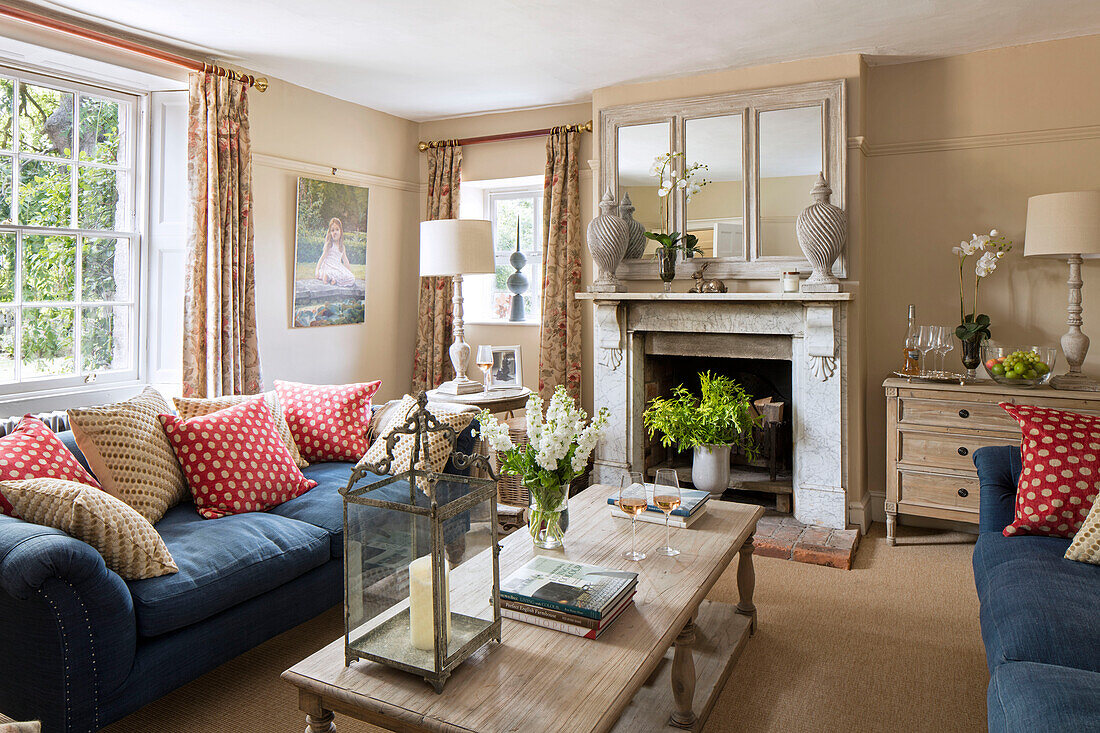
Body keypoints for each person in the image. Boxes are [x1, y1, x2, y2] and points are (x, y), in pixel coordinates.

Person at [315, 217, 355, 286]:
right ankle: (328, 276)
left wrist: (349, 272)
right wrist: (317, 270)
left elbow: (345, 261)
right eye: (332, 230)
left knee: (351, 278)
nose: (335, 232)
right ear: (330, 233)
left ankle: (333, 279)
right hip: (329, 266)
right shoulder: (329, 245)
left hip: (337, 267)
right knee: (327, 272)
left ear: (341, 232)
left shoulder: (342, 247)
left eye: (337, 230)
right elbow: (322, 258)